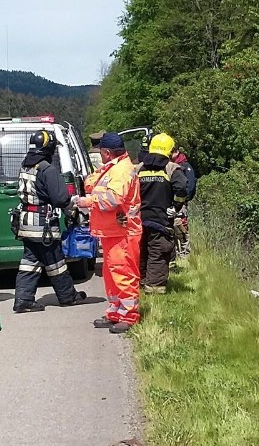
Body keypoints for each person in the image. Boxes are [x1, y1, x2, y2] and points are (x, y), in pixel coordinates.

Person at [12, 130, 87, 313]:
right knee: (56, 262)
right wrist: (74, 208)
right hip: (43, 226)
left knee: (29, 262)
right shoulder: (47, 169)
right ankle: (68, 297)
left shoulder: (26, 166)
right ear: (48, 148)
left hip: (26, 224)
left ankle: (23, 300)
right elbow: (61, 198)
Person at [75, 132, 141, 333]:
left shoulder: (120, 171)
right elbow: (90, 183)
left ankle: (129, 315)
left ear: (106, 152)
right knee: (112, 274)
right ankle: (115, 311)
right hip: (112, 231)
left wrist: (88, 202)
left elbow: (113, 199)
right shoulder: (113, 167)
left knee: (123, 273)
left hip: (123, 231)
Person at [136, 133, 186, 293]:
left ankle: (141, 283)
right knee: (158, 252)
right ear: (170, 151)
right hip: (161, 220)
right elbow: (182, 188)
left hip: (138, 220)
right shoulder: (171, 168)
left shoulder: (139, 168)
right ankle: (154, 289)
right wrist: (176, 206)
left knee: (141, 252)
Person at [170, 146, 197, 258]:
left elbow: (190, 186)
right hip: (172, 202)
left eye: (171, 153)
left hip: (181, 202)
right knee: (173, 228)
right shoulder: (172, 166)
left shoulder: (185, 166)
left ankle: (185, 254)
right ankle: (176, 253)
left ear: (176, 152)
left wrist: (184, 200)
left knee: (181, 227)